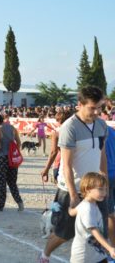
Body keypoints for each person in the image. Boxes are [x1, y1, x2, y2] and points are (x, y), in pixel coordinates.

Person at [39, 86, 109, 263]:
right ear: (80, 104)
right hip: (71, 189)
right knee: (65, 233)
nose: (96, 112)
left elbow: (102, 156)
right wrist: (72, 195)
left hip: (95, 189)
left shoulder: (101, 125)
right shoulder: (69, 127)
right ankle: (44, 255)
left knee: (100, 229)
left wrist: (105, 182)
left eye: (99, 107)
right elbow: (67, 166)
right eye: (92, 107)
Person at [68, 172, 115, 262]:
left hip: (97, 254)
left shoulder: (87, 203)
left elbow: (72, 212)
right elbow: (94, 231)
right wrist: (109, 247)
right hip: (84, 257)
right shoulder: (87, 208)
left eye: (105, 189)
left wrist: (70, 206)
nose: (104, 193)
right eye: (100, 189)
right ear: (87, 189)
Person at [0, 112, 24, 212]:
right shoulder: (12, 127)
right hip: (12, 158)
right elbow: (19, 142)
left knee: (1, 182)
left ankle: (0, 205)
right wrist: (16, 153)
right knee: (12, 182)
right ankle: (20, 202)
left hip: (2, 158)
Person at [41, 111, 72, 184]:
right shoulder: (76, 131)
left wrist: (46, 169)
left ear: (59, 121)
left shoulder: (56, 132)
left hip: (60, 162)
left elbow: (53, 152)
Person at [106, 126, 115, 247]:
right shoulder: (112, 130)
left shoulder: (94, 131)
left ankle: (113, 248)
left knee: (109, 213)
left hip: (105, 174)